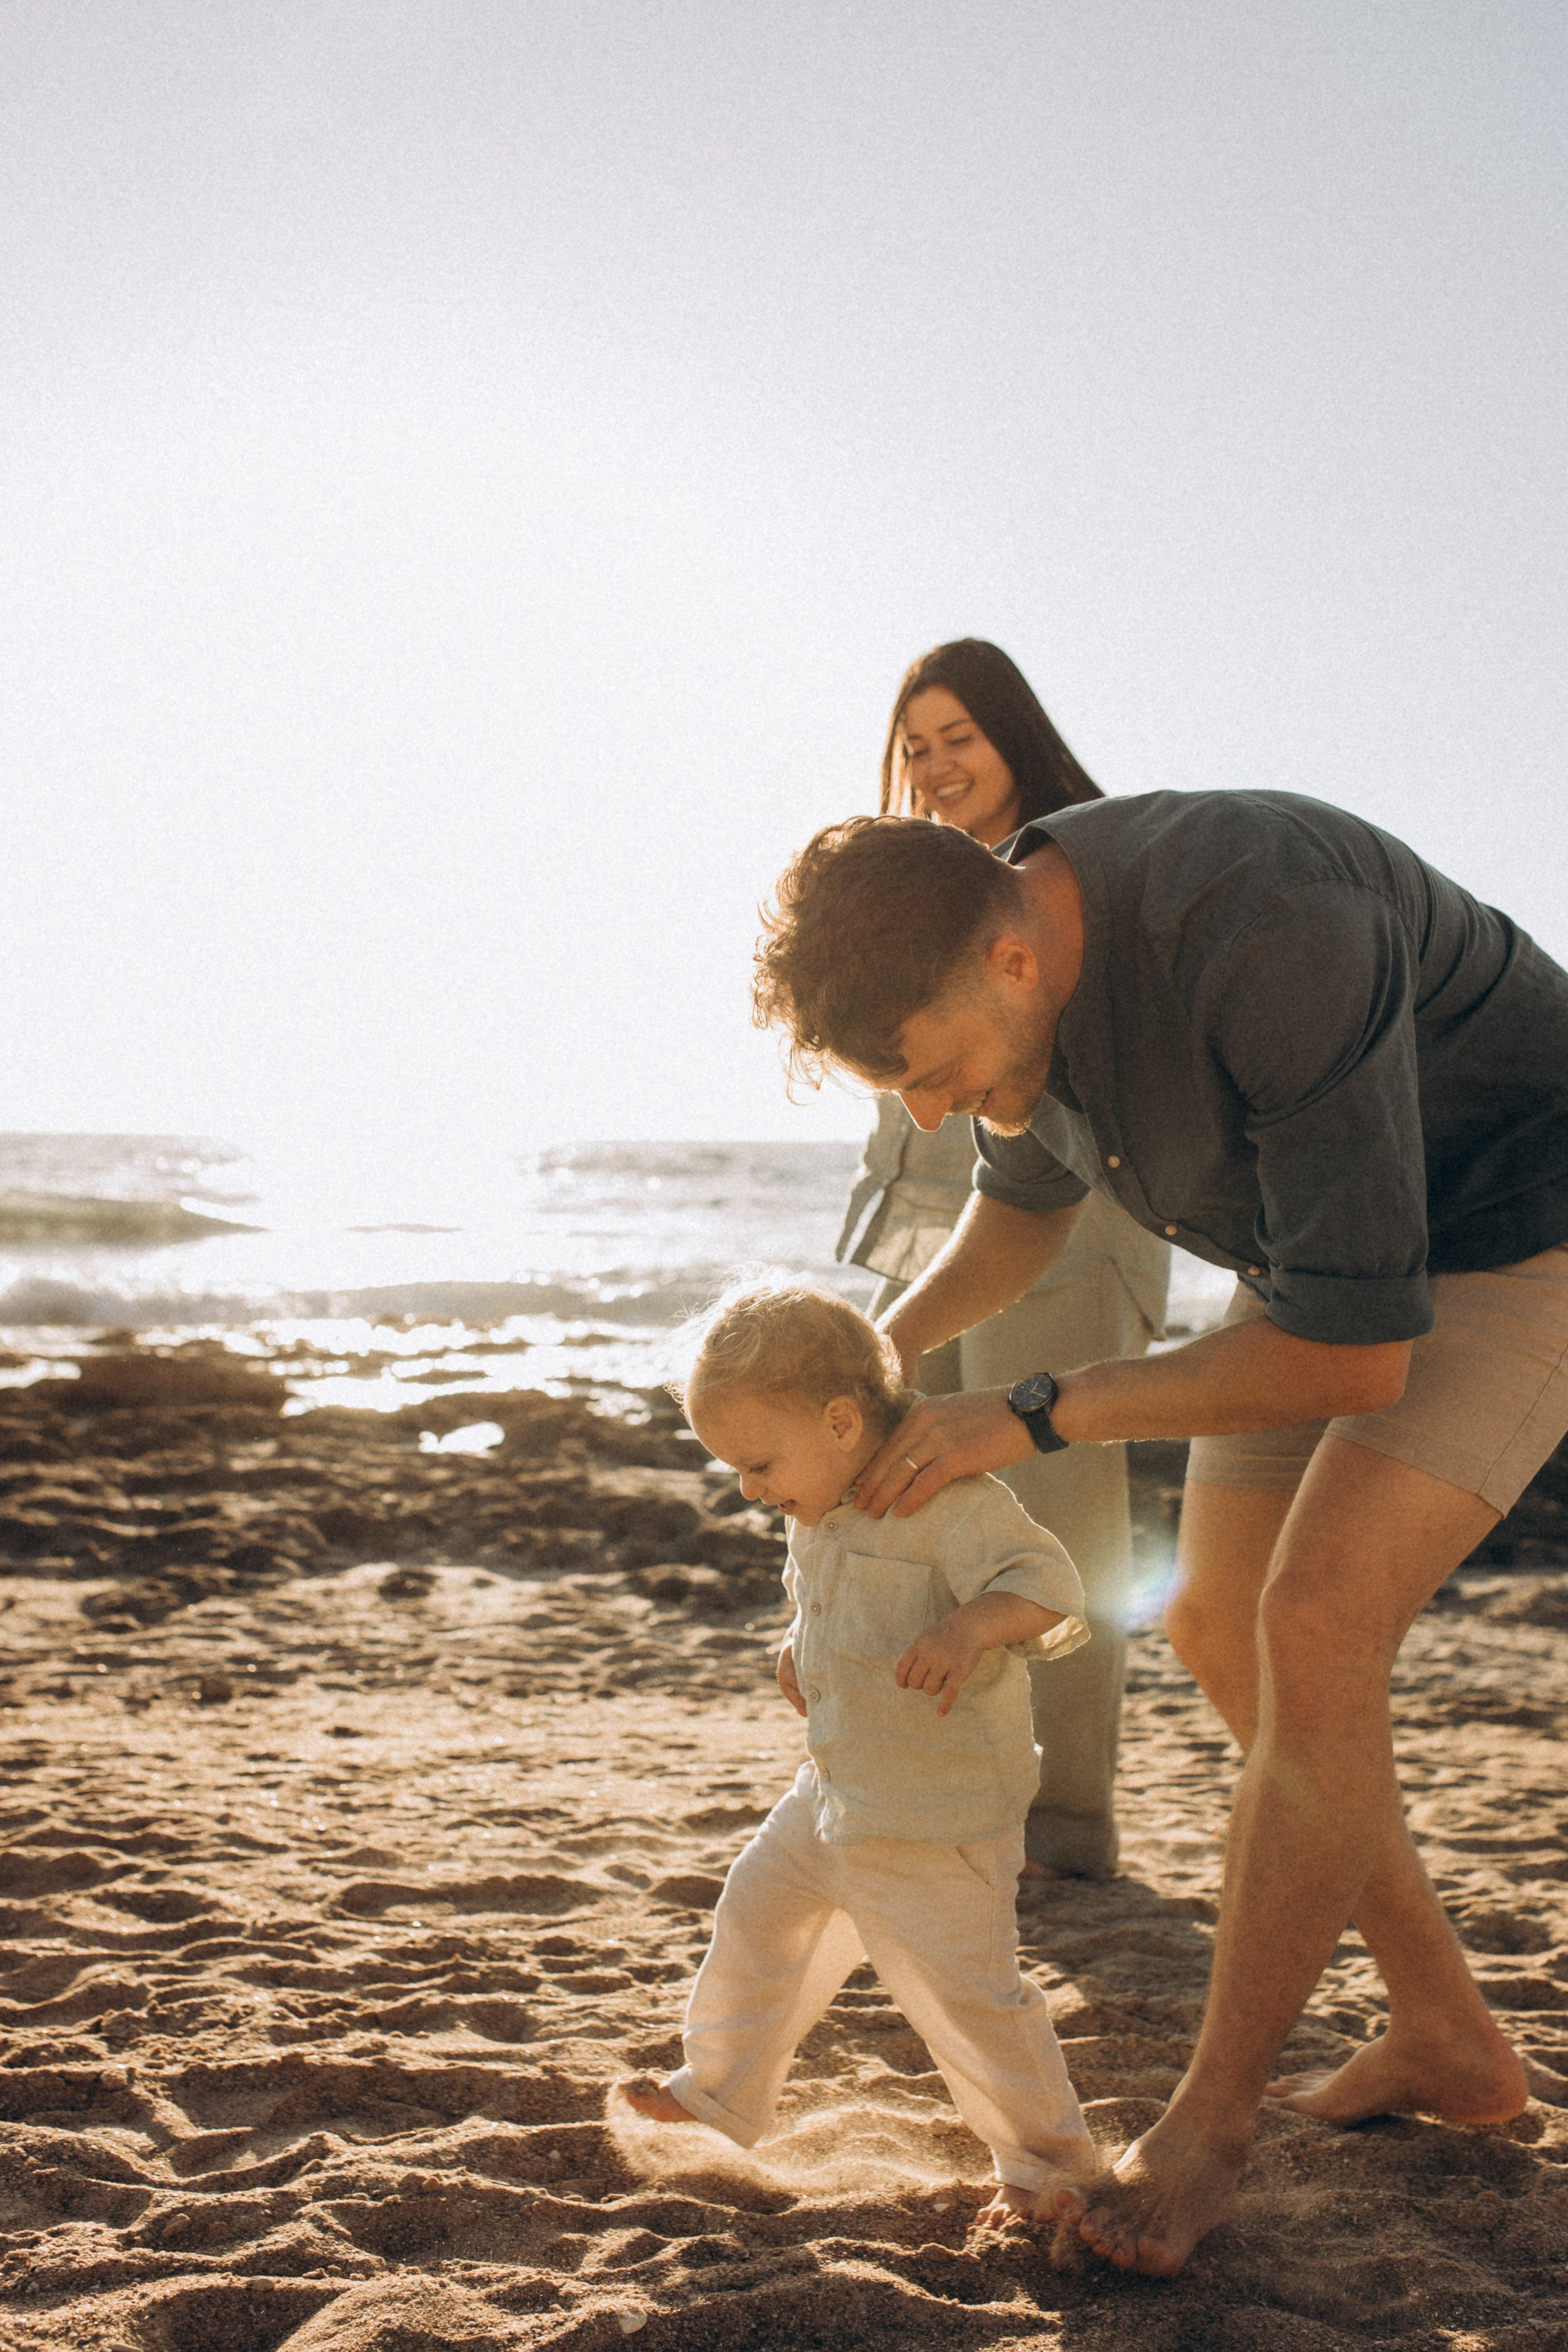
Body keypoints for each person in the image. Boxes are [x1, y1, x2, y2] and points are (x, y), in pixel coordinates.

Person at [748, 790, 1568, 2275]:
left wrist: (1033, 1409)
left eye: (926, 1075)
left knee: (1315, 1623)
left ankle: (1206, 2131)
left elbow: (1353, 1361)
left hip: (1522, 1228)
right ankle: (1448, 2034)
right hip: (1322, 1261)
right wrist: (869, 1366)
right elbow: (1022, 1215)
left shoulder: (1260, 930)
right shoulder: (1020, 984)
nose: (925, 1113)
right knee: (1212, 1615)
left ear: (1006, 959)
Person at [621, 1280, 1096, 2220]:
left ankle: (1052, 2170)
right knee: (759, 1922)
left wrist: (969, 1631)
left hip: (938, 1816)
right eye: (738, 1476)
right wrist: (801, 1643)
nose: (753, 1492)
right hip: (838, 1791)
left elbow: (1051, 1588)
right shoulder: (818, 1502)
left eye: (758, 1465)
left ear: (842, 1422)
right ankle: (716, 2097)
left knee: (966, 2003)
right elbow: (832, 1598)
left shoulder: (952, 1502)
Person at [839, 639, 1169, 1880]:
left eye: (956, 737)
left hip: (1071, 1233)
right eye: (914, 745)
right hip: (936, 1235)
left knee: (1060, 1524)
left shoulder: (1071, 874)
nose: (932, 765)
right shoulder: (916, 888)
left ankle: (1068, 1826)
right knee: (920, 1507)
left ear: (1011, 736)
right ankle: (960, 1796)